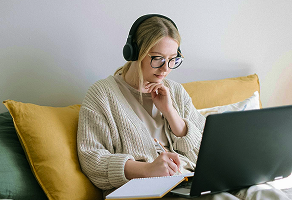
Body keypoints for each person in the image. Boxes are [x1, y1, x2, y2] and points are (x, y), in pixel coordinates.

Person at [76, 14, 205, 196]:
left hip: (188, 183)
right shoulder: (102, 95)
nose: (165, 69)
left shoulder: (175, 91)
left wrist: (170, 112)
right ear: (135, 53)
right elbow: (92, 160)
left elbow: (205, 151)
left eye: (172, 59)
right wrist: (147, 170)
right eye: (158, 58)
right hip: (142, 191)